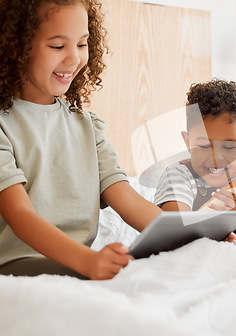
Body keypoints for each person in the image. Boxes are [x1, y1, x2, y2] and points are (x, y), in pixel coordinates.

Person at [0, 0, 163, 280]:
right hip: (18, 266)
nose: (74, 58)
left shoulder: (86, 126)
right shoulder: (5, 124)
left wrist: (193, 235)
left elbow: (129, 201)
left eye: (82, 44)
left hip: (78, 263)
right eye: (57, 46)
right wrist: (87, 261)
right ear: (16, 46)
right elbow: (20, 217)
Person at [154, 79, 236, 257]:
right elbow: (176, 235)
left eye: (229, 147)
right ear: (187, 142)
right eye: (204, 146)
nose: (216, 159)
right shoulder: (179, 175)